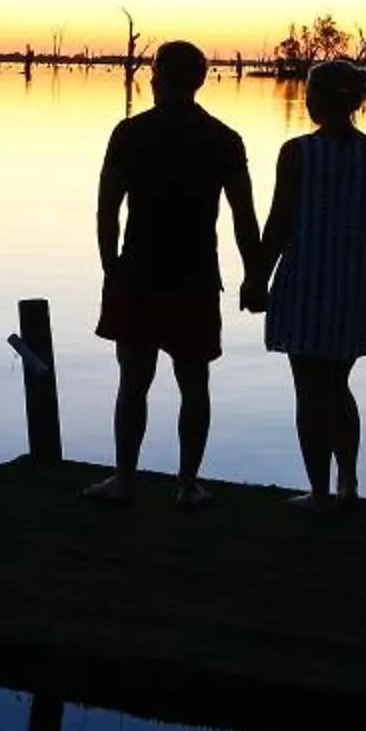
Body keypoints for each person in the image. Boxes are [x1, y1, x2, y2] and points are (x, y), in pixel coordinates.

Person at [86, 40, 261, 504]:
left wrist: (110, 267)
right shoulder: (223, 139)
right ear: (199, 81)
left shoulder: (130, 133)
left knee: (133, 381)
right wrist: (254, 275)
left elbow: (107, 209)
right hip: (195, 276)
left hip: (139, 273)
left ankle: (125, 479)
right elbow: (244, 216)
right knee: (194, 384)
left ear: (158, 78)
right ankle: (186, 484)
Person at [248, 60, 366, 507]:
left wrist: (257, 277)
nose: (306, 99)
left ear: (320, 98)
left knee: (310, 390)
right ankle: (347, 481)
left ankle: (318, 491)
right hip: (357, 286)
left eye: (310, 91)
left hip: (306, 284)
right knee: (336, 385)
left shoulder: (298, 153)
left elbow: (279, 223)